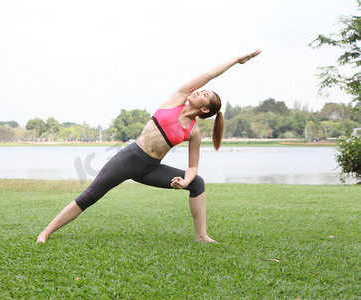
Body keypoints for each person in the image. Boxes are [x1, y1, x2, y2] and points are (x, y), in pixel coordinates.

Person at [36, 50, 261, 244]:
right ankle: (45, 233)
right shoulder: (177, 99)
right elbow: (208, 75)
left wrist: (185, 181)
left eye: (204, 94)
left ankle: (201, 236)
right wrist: (235, 60)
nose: (199, 91)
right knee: (90, 196)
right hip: (129, 159)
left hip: (151, 168)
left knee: (198, 183)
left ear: (205, 110)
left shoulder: (194, 132)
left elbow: (193, 167)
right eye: (201, 90)